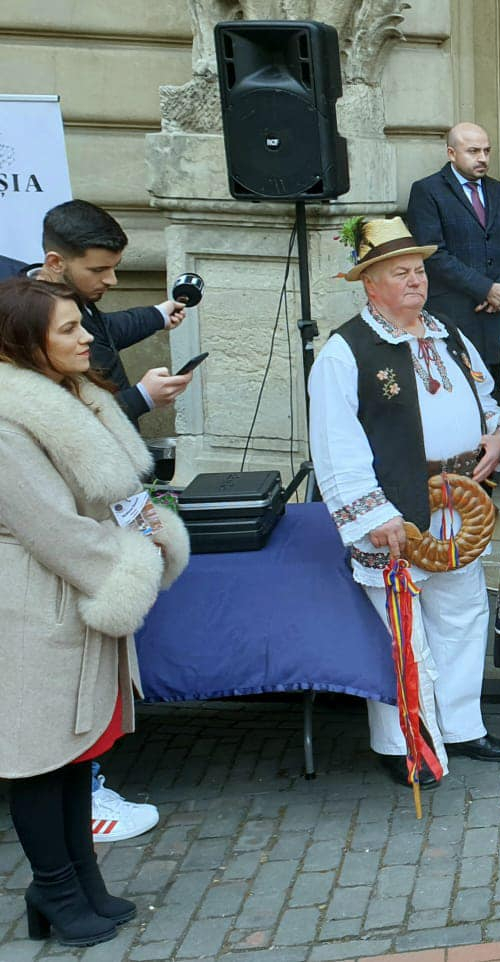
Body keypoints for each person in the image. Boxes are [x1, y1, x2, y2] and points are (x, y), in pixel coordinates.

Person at [0, 277, 189, 947]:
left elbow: (110, 498)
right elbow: (51, 527)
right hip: (32, 602)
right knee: (37, 754)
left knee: (77, 751)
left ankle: (80, 879)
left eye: (82, 324)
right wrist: (134, 560)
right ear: (24, 343)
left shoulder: (69, 394)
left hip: (76, 588)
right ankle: (52, 888)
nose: (87, 337)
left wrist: (150, 526)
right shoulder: (6, 419)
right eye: (68, 329)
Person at [309, 217, 500, 787]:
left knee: (463, 614)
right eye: (399, 273)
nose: (415, 281)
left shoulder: (448, 332)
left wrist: (498, 436)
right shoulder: (345, 350)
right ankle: (404, 741)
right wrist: (372, 513)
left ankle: (461, 726)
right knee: (401, 630)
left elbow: (487, 397)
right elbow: (335, 443)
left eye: (419, 270)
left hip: (461, 503)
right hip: (396, 509)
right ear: (369, 284)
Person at [15, 201, 191, 424]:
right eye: (98, 270)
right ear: (55, 262)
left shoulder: (74, 292)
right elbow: (61, 423)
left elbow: (104, 332)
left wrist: (157, 315)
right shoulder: (22, 322)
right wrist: (142, 397)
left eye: (114, 267)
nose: (112, 280)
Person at [406, 122, 500, 400]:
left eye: (487, 151)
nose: (483, 158)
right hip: (457, 312)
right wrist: (484, 288)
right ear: (452, 153)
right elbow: (432, 253)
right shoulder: (427, 191)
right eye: (474, 151)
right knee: (464, 392)